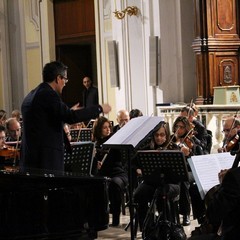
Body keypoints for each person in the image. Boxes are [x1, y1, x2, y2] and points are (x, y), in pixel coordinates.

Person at [20, 61, 111, 172]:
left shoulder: (31, 95)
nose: (65, 83)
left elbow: (45, 123)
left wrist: (68, 112)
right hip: (46, 160)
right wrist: (99, 108)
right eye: (65, 79)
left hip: (30, 158)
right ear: (58, 78)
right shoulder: (49, 94)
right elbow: (71, 117)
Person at [133, 121, 180, 231]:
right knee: (139, 194)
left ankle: (167, 228)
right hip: (151, 182)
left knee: (161, 194)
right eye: (156, 135)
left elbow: (179, 172)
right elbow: (133, 163)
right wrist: (137, 169)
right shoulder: (147, 148)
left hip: (171, 184)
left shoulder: (173, 148)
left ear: (167, 135)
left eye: (162, 135)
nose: (159, 138)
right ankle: (146, 228)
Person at [92, 116, 128, 227]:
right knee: (95, 185)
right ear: (99, 130)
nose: (108, 130)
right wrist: (95, 161)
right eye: (104, 128)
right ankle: (99, 217)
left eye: (109, 127)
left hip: (118, 174)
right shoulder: (96, 145)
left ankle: (115, 218)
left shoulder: (115, 141)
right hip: (103, 174)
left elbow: (123, 158)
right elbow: (94, 166)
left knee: (114, 184)